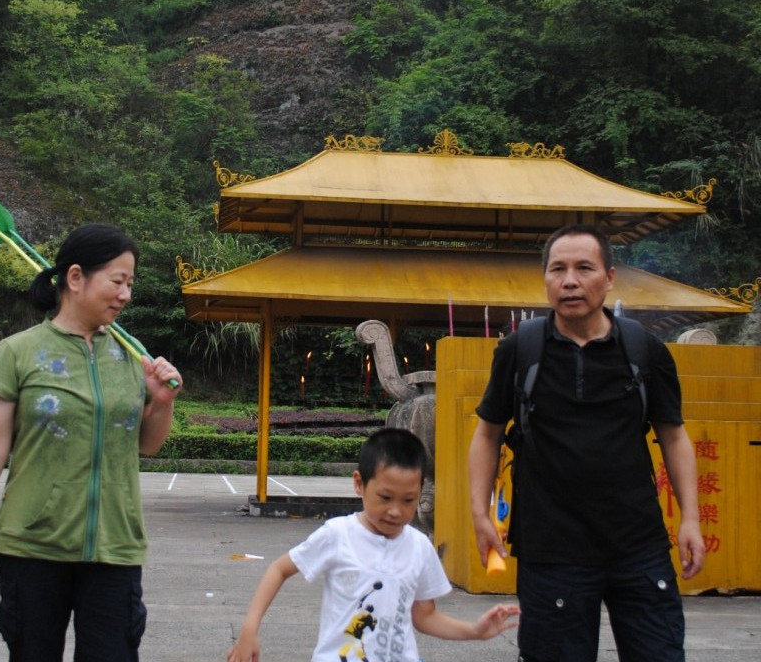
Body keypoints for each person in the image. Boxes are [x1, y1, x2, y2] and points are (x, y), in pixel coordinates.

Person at [0, 223, 183, 662]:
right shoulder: (18, 352)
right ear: (74, 278)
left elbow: (147, 445)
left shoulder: (130, 358)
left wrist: (161, 402)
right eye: (117, 281)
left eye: (130, 284)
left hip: (115, 546)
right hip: (32, 546)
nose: (125, 294)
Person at [468, 223, 705, 662]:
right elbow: (487, 432)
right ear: (545, 280)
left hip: (638, 545)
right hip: (551, 548)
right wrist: (479, 513)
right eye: (557, 269)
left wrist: (690, 518)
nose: (570, 280)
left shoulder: (644, 351)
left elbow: (673, 435)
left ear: (610, 277)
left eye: (584, 268)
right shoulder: (520, 351)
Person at [228, 427, 520, 662]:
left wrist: (474, 631)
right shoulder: (338, 535)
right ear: (359, 484)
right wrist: (249, 629)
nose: (395, 510)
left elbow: (425, 616)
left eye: (408, 500)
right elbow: (279, 569)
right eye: (385, 497)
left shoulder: (419, 547)